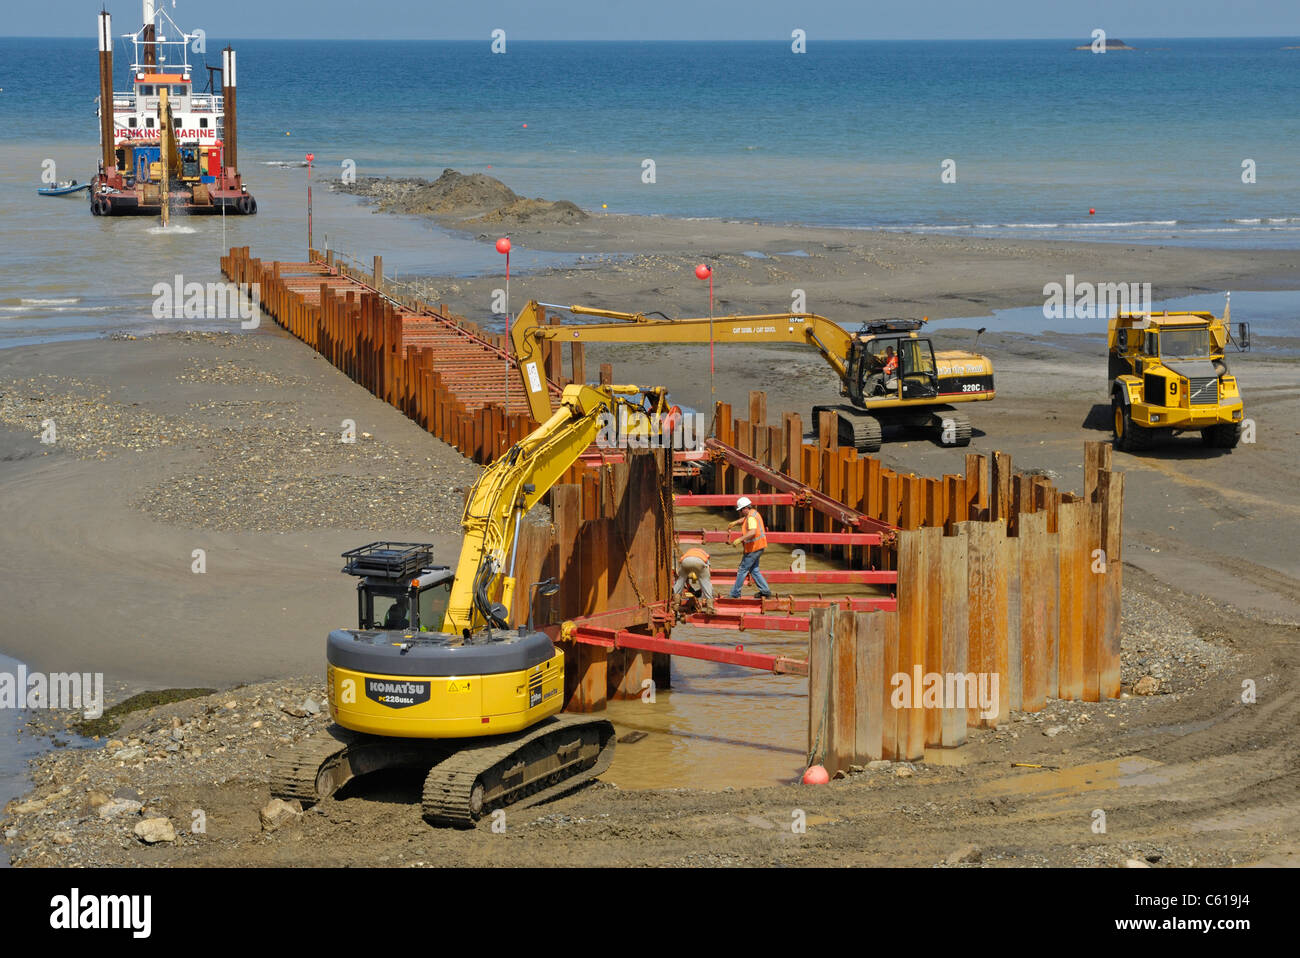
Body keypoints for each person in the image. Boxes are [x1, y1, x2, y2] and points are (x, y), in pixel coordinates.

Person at [726, 496, 774, 599]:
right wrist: (736, 522)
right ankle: (765, 591)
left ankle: (735, 594)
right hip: (759, 546)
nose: (740, 512)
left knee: (742, 569)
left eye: (740, 510)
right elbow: (746, 519)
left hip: (754, 548)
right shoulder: (753, 513)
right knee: (754, 570)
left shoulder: (751, 517)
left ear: (745, 508)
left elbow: (752, 532)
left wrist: (739, 539)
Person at [672, 547, 715, 614]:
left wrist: (685, 576)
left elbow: (680, 564)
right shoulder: (705, 554)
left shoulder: (688, 553)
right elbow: (708, 570)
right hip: (700, 562)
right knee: (706, 582)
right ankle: (710, 607)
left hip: (685, 562)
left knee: (680, 581)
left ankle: (676, 604)